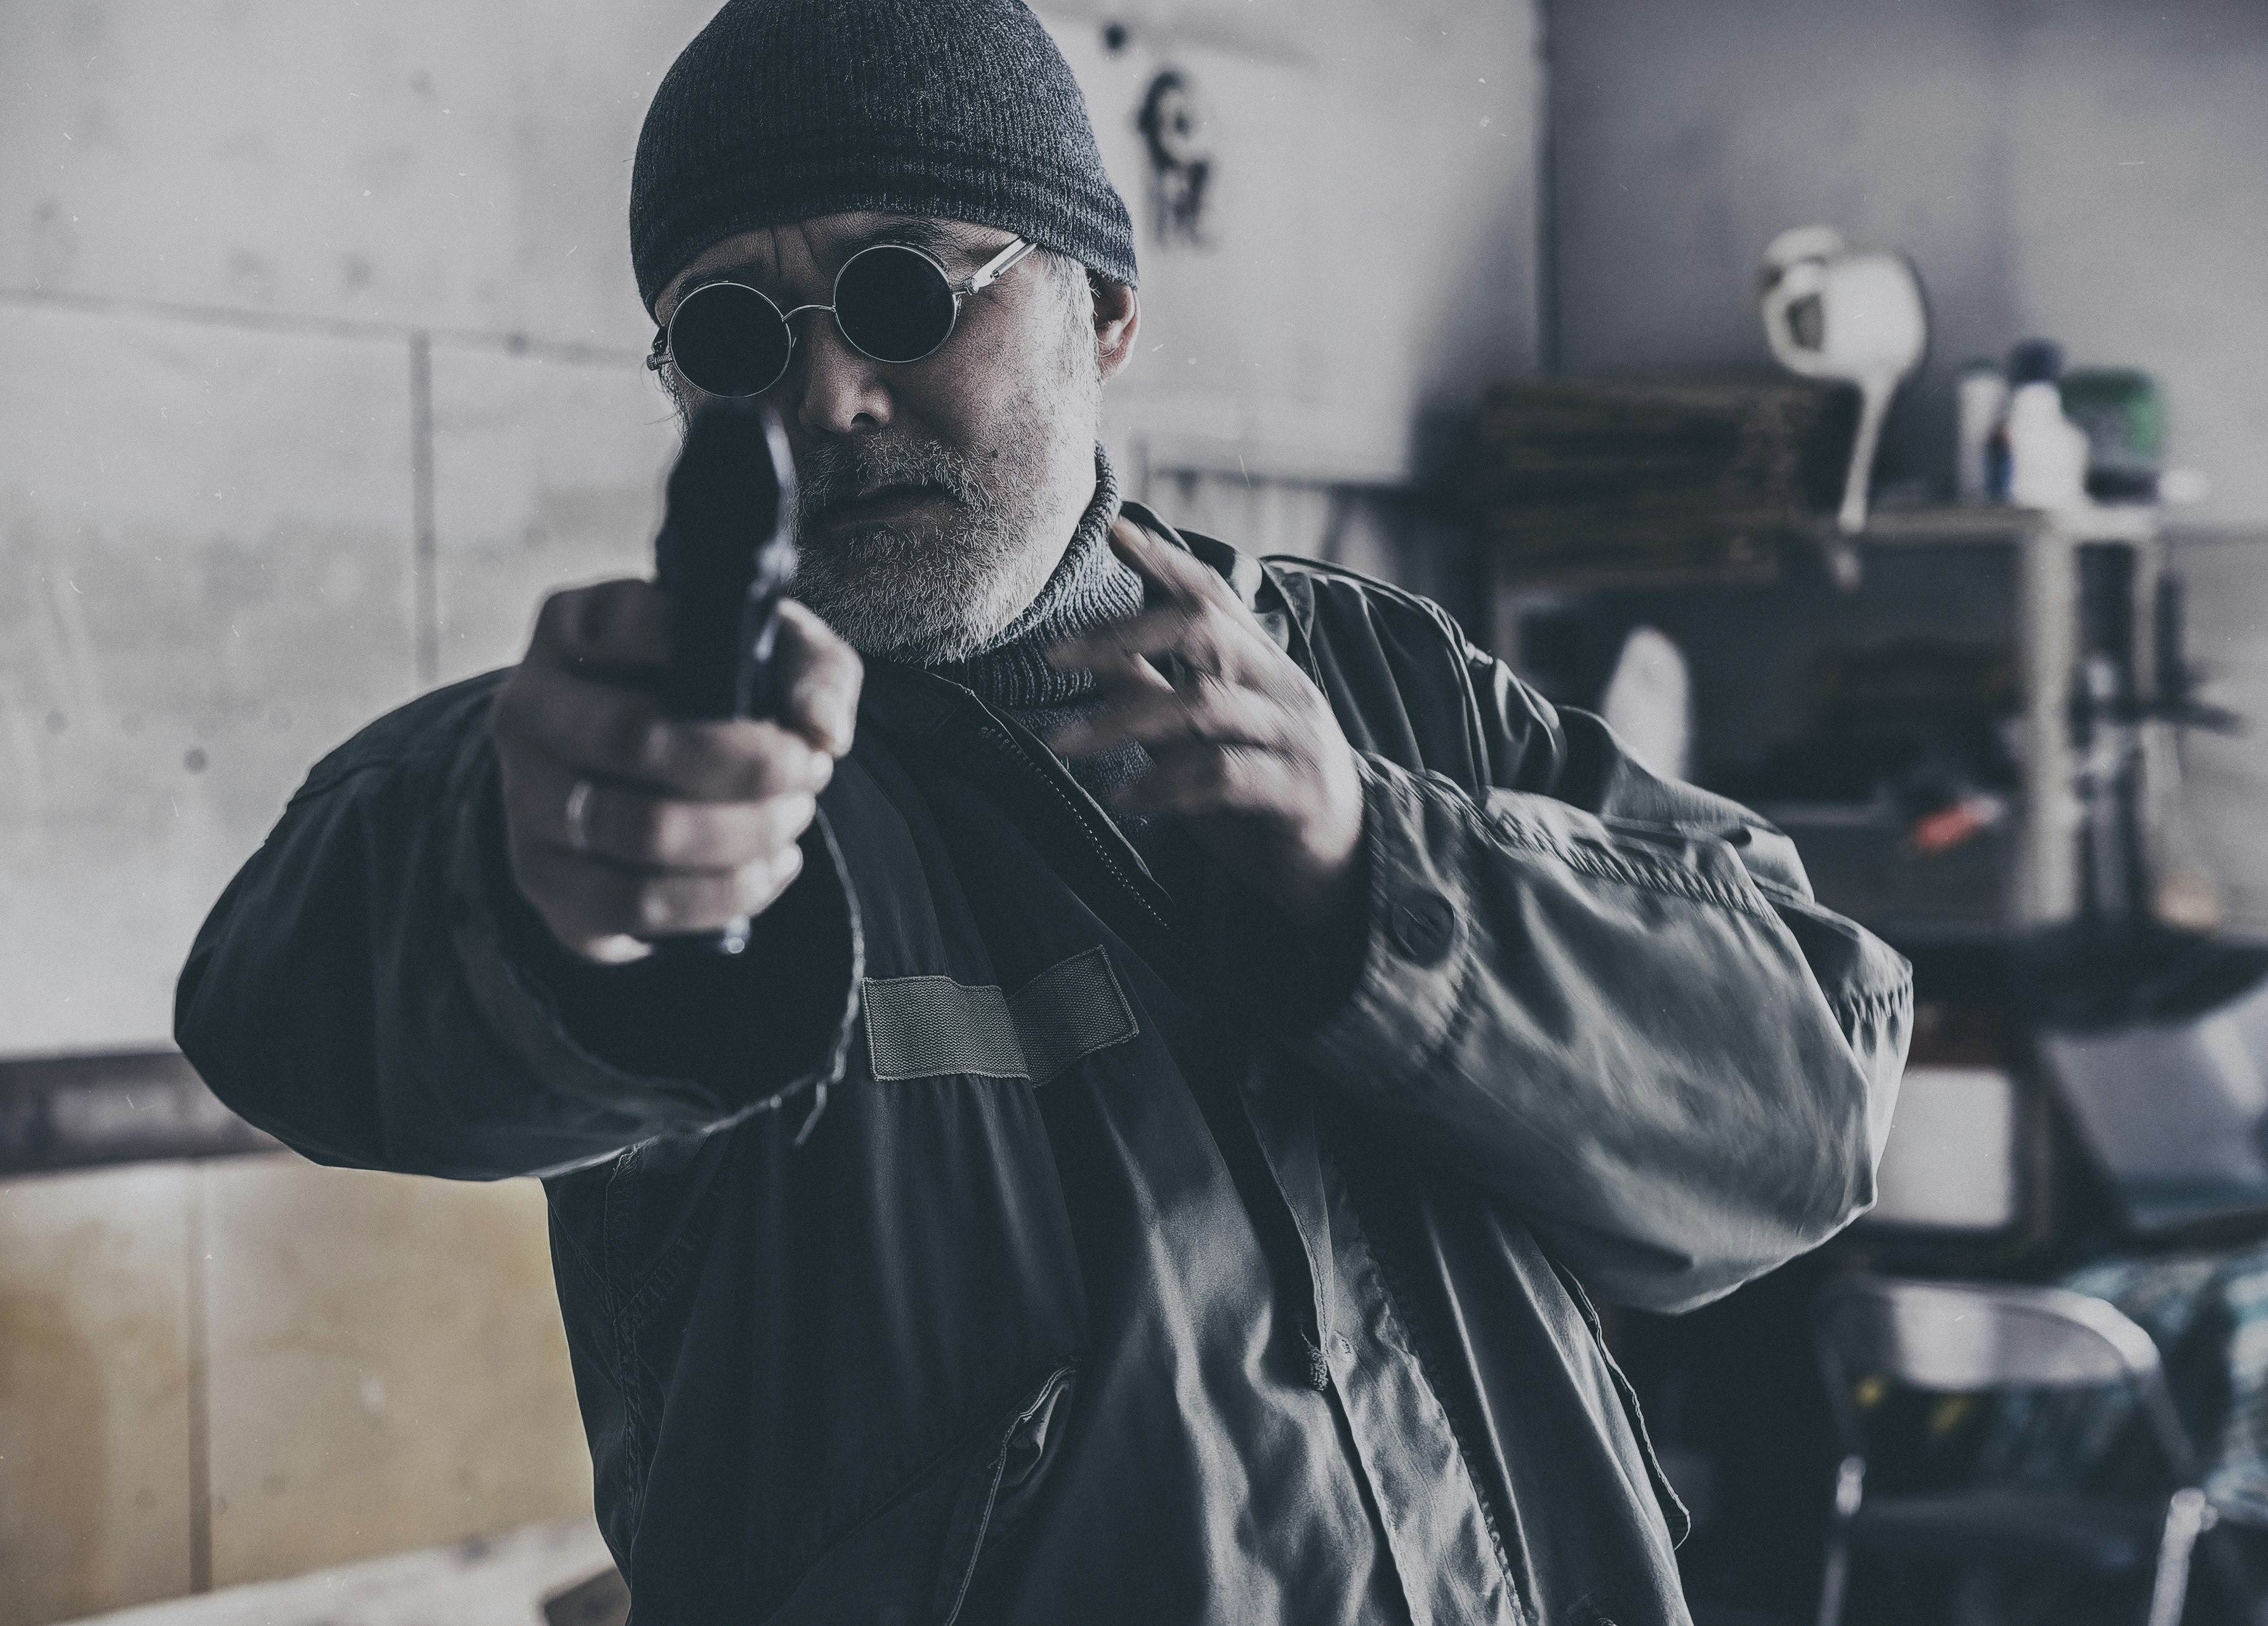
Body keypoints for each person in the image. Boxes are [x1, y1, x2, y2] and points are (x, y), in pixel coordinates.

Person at [175, 2, 1911, 1621]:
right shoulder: (695, 762)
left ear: (1107, 312)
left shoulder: (1385, 689)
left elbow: (1806, 1086)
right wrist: (558, 894)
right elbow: (310, 982)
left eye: (905, 294)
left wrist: (1377, 878)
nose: (829, 398)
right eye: (730, 334)